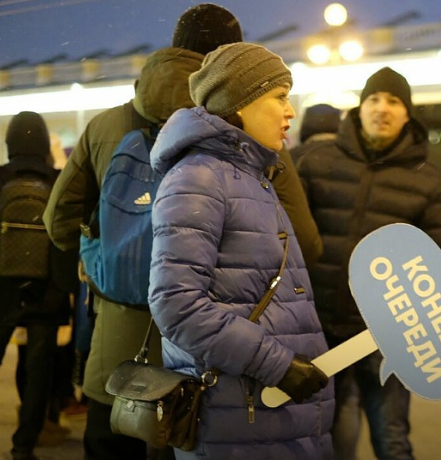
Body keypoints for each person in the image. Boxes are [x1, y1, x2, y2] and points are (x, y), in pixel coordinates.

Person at [43, 4, 243, 459]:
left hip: (119, 343)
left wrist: (100, 256)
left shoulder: (105, 125)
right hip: (204, 345)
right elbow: (302, 240)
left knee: (110, 445)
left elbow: (57, 219)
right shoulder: (238, 130)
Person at [148, 41, 333, 460]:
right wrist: (277, 364)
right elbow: (176, 304)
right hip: (239, 416)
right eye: (280, 97)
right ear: (241, 102)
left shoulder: (251, 177)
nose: (291, 112)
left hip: (265, 415)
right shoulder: (199, 179)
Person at [297, 66, 441, 460]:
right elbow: (291, 241)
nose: (382, 108)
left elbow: (436, 262)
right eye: (374, 99)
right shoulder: (319, 161)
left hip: (389, 335)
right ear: (360, 107)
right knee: (334, 437)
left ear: (407, 114)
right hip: (324, 328)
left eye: (394, 101)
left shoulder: (427, 178)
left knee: (392, 438)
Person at [0, 111, 77, 460]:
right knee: (38, 374)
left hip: (1, 290)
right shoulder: (59, 180)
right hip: (46, 290)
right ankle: (23, 447)